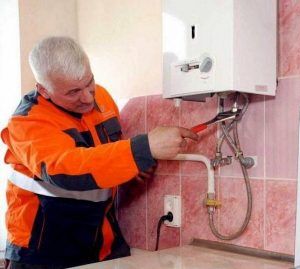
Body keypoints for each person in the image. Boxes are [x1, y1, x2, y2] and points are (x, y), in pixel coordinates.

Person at [0, 36, 198, 269]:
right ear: (44, 90)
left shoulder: (100, 97)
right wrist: (144, 148)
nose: (87, 98)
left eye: (89, 82)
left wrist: (128, 169)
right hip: (44, 252)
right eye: (73, 92)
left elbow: (105, 154)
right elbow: (66, 169)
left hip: (101, 243)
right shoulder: (28, 122)